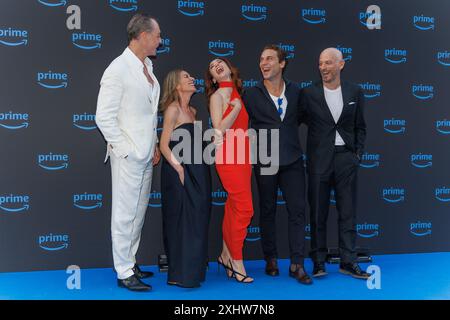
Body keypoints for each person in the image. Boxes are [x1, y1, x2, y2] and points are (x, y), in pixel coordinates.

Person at [95, 13, 161, 292]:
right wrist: (126, 151)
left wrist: (154, 143)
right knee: (124, 213)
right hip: (129, 156)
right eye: (157, 36)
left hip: (147, 154)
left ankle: (130, 262)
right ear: (142, 36)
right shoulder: (117, 68)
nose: (160, 40)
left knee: (139, 211)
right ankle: (123, 271)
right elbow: (103, 117)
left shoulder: (147, 66)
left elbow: (148, 113)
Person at [242, 45, 312, 285]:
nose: (264, 63)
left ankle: (297, 263)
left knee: (298, 211)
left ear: (282, 64)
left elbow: (305, 118)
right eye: (261, 59)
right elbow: (239, 123)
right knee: (268, 210)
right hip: (266, 159)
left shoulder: (297, 91)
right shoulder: (251, 94)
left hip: (292, 158)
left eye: (270, 59)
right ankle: (270, 258)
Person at [301, 48, 369, 279]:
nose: (323, 68)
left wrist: (356, 154)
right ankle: (318, 262)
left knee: (348, 213)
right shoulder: (308, 93)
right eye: (320, 63)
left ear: (341, 64)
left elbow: (361, 126)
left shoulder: (355, 91)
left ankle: (348, 261)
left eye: (328, 63)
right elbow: (293, 122)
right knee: (318, 213)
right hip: (319, 160)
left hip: (345, 159)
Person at [159, 69, 211, 288]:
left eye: (191, 76)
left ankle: (193, 271)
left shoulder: (194, 110)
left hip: (198, 170)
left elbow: (196, 143)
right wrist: (179, 169)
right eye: (186, 77)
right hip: (178, 171)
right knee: (180, 220)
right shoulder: (172, 110)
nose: (192, 79)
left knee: (197, 219)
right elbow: (163, 144)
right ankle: (178, 274)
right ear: (176, 85)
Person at [205, 58, 254, 283]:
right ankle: (236, 260)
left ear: (229, 69)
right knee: (245, 209)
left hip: (243, 156)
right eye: (212, 67)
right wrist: (234, 109)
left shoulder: (237, 93)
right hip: (228, 156)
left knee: (234, 207)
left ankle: (225, 254)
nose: (217, 65)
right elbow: (218, 131)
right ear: (213, 78)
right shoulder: (217, 97)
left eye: (220, 62)